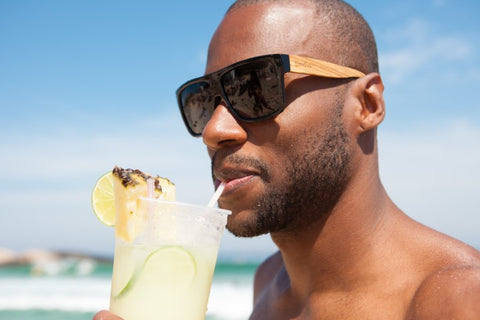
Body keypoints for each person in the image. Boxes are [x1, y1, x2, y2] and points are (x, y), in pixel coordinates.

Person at [94, 0, 480, 319]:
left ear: (367, 104)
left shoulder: (455, 301)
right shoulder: (268, 283)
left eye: (255, 87)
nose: (214, 129)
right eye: (202, 100)